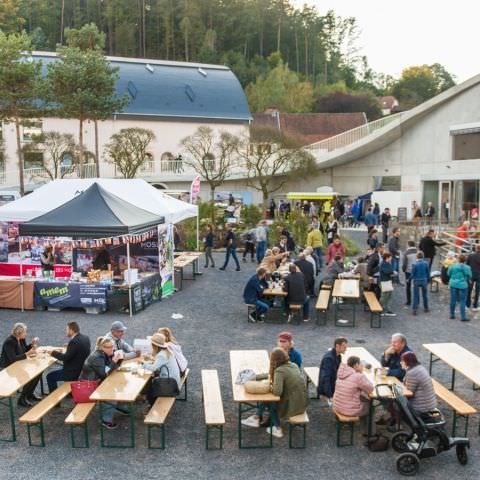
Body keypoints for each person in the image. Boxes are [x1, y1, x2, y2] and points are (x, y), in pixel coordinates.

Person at [242, 348, 308, 439]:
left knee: (270, 400)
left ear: (275, 360)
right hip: (302, 403)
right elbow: (270, 375)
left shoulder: (279, 371)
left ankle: (276, 427)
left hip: (293, 407)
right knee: (269, 398)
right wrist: (255, 377)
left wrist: (269, 386)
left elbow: (277, 391)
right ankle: (256, 417)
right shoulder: (293, 365)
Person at [80, 336, 123, 429]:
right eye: (109, 347)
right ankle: (106, 420)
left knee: (119, 385)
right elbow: (104, 373)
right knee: (109, 394)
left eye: (112, 346)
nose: (112, 348)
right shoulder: (96, 357)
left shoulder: (103, 354)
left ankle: (121, 407)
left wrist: (116, 360)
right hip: (89, 386)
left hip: (97, 381)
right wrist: (114, 361)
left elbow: (108, 368)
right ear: (102, 348)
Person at [0, 323, 40, 407]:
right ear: (19, 333)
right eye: (25, 332)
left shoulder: (21, 339)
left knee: (38, 373)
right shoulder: (9, 342)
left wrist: (31, 345)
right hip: (7, 368)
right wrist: (28, 353)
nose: (26, 334)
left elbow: (24, 350)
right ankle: (21, 399)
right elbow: (13, 358)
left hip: (18, 364)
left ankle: (29, 394)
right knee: (27, 376)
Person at [333, 356, 374, 433]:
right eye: (360, 364)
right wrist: (362, 373)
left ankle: (365, 428)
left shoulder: (341, 373)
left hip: (337, 405)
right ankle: (369, 433)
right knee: (371, 405)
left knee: (361, 397)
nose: (362, 366)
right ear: (356, 365)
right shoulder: (358, 376)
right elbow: (370, 388)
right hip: (348, 410)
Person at [46, 322, 91, 393]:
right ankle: (70, 393)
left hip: (72, 372)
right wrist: (70, 347)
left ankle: (53, 397)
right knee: (58, 369)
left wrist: (53, 352)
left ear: (71, 330)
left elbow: (65, 357)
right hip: (81, 368)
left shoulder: (74, 342)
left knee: (50, 376)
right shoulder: (85, 338)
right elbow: (82, 349)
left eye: (67, 330)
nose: (66, 332)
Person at [143, 333, 181, 405]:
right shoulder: (166, 351)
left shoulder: (161, 355)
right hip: (173, 381)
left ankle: (150, 405)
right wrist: (151, 359)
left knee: (150, 389)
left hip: (169, 384)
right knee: (151, 381)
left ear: (155, 345)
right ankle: (147, 399)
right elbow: (159, 363)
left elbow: (153, 368)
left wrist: (143, 364)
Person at [317, 337, 348, 401]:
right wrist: (330, 395)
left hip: (333, 383)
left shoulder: (338, 355)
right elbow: (326, 378)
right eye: (344, 347)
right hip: (327, 389)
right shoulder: (329, 359)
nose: (346, 349)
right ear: (337, 346)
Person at [448, 254, 472, 321]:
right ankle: (463, 317)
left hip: (453, 284)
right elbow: (470, 275)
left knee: (453, 300)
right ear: (465, 260)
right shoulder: (467, 267)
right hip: (463, 285)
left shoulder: (453, 266)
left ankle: (452, 315)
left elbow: (448, 274)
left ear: (458, 259)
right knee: (463, 301)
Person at [402, 240, 418, 307]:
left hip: (408, 271)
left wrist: (403, 270)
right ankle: (416, 301)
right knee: (416, 286)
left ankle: (409, 301)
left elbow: (404, 264)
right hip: (416, 271)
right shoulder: (418, 252)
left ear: (408, 245)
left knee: (408, 286)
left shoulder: (406, 253)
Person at [467, 244, 480, 310]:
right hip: (479, 275)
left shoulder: (470, 255)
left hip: (471, 274)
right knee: (477, 291)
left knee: (469, 290)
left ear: (476, 248)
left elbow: (467, 264)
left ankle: (467, 304)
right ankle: (475, 305)